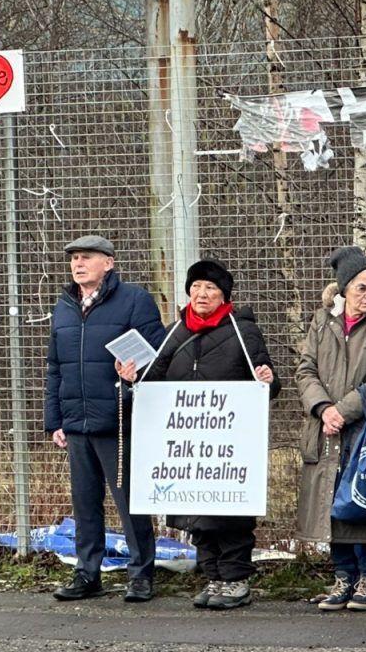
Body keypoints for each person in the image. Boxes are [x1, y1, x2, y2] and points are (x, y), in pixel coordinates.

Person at [118, 259, 280, 610]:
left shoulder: (242, 329)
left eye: (210, 288)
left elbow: (267, 381)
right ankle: (214, 577)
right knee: (198, 515)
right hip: (188, 448)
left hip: (228, 445)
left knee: (230, 516)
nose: (201, 294)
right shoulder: (176, 331)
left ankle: (235, 580)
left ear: (224, 296)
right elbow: (152, 380)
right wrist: (132, 377)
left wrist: (267, 380)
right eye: (195, 288)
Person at [44, 234, 165, 603]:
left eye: (86, 258)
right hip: (77, 422)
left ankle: (141, 574)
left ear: (108, 263)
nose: (78, 264)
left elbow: (159, 356)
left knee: (130, 502)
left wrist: (136, 374)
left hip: (120, 420)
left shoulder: (134, 301)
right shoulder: (64, 307)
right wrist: (55, 420)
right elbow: (54, 368)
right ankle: (87, 573)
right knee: (84, 503)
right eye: (74, 258)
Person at [296, 246, 366, 612]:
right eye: (362, 288)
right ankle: (343, 575)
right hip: (327, 429)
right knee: (333, 501)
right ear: (344, 289)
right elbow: (305, 369)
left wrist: (341, 411)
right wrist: (323, 409)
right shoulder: (322, 321)